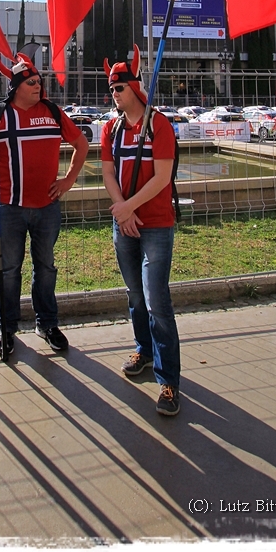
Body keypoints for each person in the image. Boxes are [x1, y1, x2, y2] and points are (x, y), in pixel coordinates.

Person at [0, 53, 88, 356]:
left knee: (46, 268)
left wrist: (67, 181)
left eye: (40, 81)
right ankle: (6, 328)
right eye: (32, 82)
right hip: (9, 207)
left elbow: (81, 144)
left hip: (47, 208)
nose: (39, 86)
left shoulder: (52, 111)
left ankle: (47, 323)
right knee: (9, 270)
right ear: (17, 86)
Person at [100, 45, 181, 416]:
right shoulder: (111, 128)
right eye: (111, 89)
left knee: (156, 301)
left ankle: (168, 381)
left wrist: (129, 207)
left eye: (119, 88)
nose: (113, 94)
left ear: (134, 87)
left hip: (156, 225)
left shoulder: (158, 124)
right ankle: (144, 351)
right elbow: (107, 172)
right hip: (125, 224)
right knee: (134, 295)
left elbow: (163, 177)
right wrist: (122, 212)